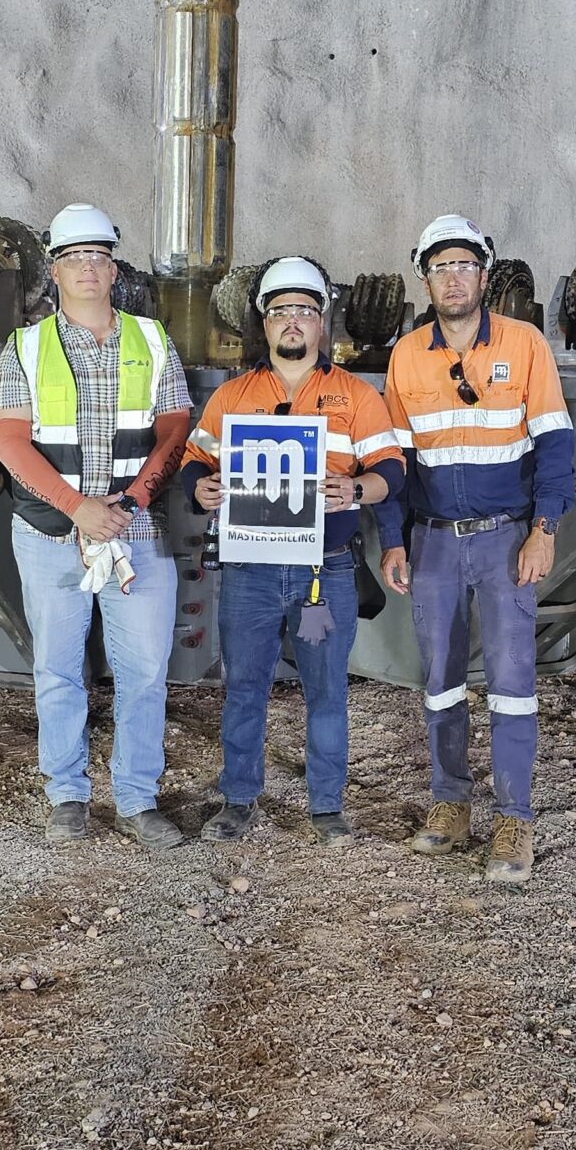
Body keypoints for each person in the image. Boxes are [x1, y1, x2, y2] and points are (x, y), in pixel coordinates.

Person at [375, 213, 574, 883]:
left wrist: (544, 530)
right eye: (440, 267)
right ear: (425, 279)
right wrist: (393, 542)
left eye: (464, 266)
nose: (452, 278)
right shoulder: (406, 355)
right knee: (440, 683)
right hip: (431, 544)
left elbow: (553, 442)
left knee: (514, 684)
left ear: (484, 276)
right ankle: (450, 805)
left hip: (506, 540)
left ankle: (513, 818)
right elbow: (395, 461)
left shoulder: (523, 345)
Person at [0, 204, 194, 849]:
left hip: (138, 534)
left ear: (113, 267)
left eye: (97, 258)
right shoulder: (24, 349)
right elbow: (12, 444)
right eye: (73, 259)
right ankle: (67, 794)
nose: (86, 269)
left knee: (145, 673)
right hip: (54, 535)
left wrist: (128, 504)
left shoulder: (153, 340)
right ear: (55, 270)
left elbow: (175, 431)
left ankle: (137, 797)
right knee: (56, 669)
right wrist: (79, 508)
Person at [181, 257, 405, 843]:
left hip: (320, 576)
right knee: (245, 687)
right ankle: (237, 798)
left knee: (326, 689)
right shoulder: (231, 397)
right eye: (281, 311)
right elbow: (194, 462)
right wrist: (198, 487)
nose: (293, 323)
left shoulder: (356, 396)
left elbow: (392, 472)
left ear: (322, 322)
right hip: (251, 572)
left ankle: (327, 805)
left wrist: (357, 488)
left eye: (305, 311)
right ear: (265, 322)